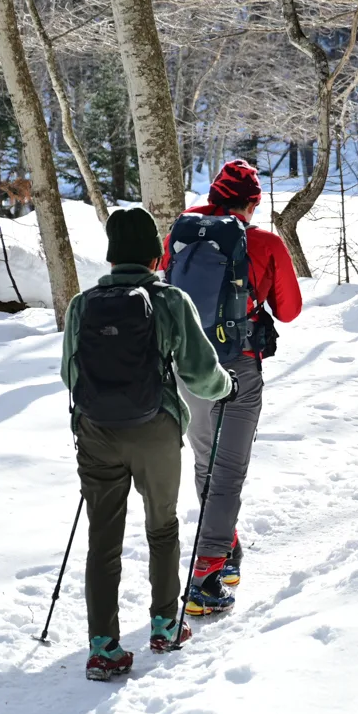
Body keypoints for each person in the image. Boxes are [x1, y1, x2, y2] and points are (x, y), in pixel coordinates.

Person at [61, 207, 234, 681]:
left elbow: (68, 375)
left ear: (113, 254)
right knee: (162, 527)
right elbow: (200, 373)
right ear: (154, 251)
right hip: (155, 429)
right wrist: (227, 387)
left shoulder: (82, 304)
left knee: (103, 538)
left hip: (96, 432)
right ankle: (164, 624)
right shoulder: (170, 300)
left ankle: (103, 647)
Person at [165, 159, 302, 618]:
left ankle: (226, 549)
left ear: (215, 194)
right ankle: (205, 576)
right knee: (229, 472)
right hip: (238, 367)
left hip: (188, 366)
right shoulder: (262, 242)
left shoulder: (182, 235)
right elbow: (290, 310)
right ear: (253, 203)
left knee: (208, 464)